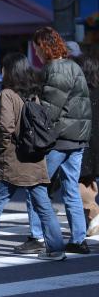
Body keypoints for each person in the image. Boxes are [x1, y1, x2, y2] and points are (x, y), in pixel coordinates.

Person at [0, 53, 66, 261]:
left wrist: (1, 152)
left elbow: (5, 127)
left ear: (10, 71)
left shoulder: (7, 94)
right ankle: (56, 248)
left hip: (13, 160)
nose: (1, 71)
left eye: (4, 67)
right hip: (34, 158)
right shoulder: (33, 94)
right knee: (43, 205)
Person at [16, 27, 92, 255]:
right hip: (77, 139)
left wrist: (32, 105)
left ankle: (37, 236)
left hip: (58, 140)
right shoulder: (73, 66)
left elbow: (49, 111)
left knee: (35, 185)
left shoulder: (56, 69)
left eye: (37, 47)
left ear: (45, 47)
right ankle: (78, 239)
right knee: (70, 190)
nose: (36, 53)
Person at [72, 54, 99, 236]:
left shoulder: (80, 93)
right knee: (85, 181)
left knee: (78, 182)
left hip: (86, 144)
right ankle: (92, 219)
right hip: (93, 143)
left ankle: (93, 214)